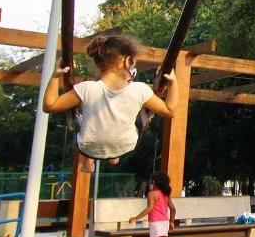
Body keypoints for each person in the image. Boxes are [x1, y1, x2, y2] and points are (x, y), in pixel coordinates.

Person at [42, 35, 178, 161]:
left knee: (79, 116)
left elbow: (49, 106)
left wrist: (55, 76)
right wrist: (173, 83)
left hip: (88, 147)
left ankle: (93, 158)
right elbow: (170, 111)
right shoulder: (140, 89)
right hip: (125, 145)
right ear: (126, 62)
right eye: (133, 64)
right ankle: (114, 155)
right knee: (143, 112)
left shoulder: (86, 88)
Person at [131, 172, 177, 237]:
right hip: (164, 222)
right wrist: (172, 222)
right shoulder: (165, 194)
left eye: (151, 182)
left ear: (154, 182)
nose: (149, 184)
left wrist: (136, 218)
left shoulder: (152, 194)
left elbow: (149, 208)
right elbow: (173, 209)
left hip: (156, 223)